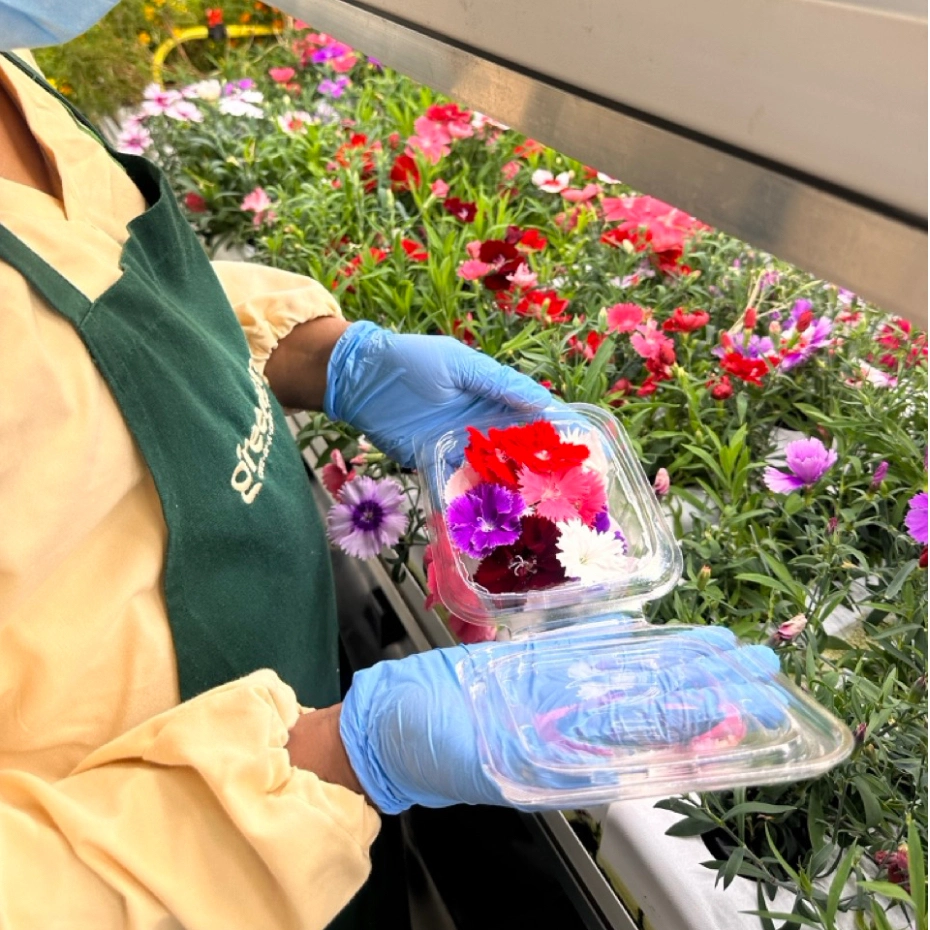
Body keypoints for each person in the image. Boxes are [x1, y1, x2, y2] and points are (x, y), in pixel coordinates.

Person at [0, 8, 785, 929]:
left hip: (305, 782)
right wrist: (332, 761)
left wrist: (322, 355)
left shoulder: (18, 68)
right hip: (174, 873)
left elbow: (76, 321)